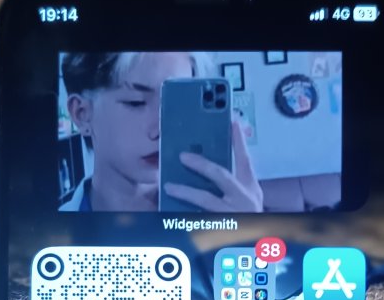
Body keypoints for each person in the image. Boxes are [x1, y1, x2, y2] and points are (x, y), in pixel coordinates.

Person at [60, 52, 263, 212]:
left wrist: (247, 236)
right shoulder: (54, 230)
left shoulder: (215, 219)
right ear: (81, 114)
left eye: (178, 102)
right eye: (136, 102)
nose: (163, 129)